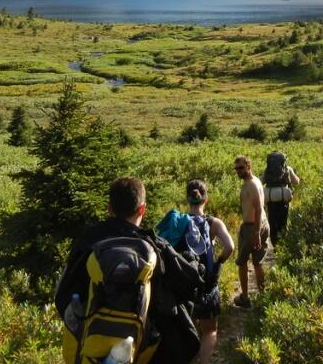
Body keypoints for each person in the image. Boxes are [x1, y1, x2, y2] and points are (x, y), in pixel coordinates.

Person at [55, 176, 205, 364]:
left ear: (109, 208)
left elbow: (63, 296)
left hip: (90, 349)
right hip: (139, 350)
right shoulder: (154, 246)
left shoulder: (88, 240)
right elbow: (190, 284)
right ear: (142, 209)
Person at [185, 179, 234, 363]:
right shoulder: (213, 223)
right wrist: (218, 262)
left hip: (184, 284)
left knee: (186, 326)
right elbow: (230, 247)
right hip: (207, 284)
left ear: (187, 199)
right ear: (206, 199)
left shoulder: (180, 222)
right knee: (210, 330)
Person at [232, 155, 269, 309]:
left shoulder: (252, 184)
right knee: (257, 263)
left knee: (242, 262)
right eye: (236, 169)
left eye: (241, 168)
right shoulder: (255, 181)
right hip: (260, 224)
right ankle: (262, 298)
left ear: (248, 166)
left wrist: (255, 232)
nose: (238, 171)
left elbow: (259, 208)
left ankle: (246, 298)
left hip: (252, 227)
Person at [261, 151, 301, 246]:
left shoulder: (267, 171)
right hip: (283, 199)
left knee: (272, 223)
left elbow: (260, 182)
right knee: (283, 223)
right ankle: (283, 246)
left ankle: (275, 245)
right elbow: (296, 182)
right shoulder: (288, 169)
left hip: (270, 200)